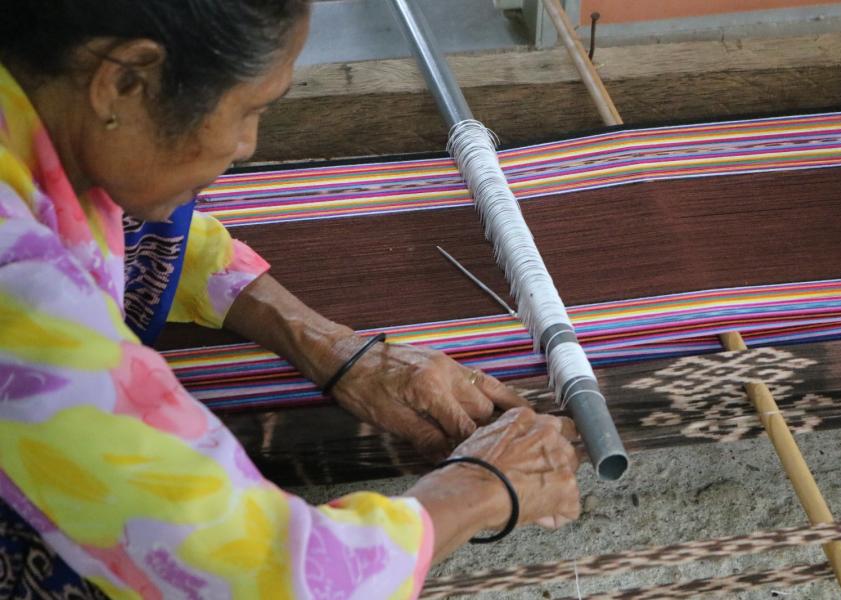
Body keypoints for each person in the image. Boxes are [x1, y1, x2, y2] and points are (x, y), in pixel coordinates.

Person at [0, 1, 582, 598]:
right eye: (248, 110)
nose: (248, 145)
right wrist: (484, 487)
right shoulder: (20, 285)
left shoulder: (37, 113)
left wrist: (334, 350)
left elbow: (151, 230)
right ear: (123, 82)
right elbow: (254, 573)